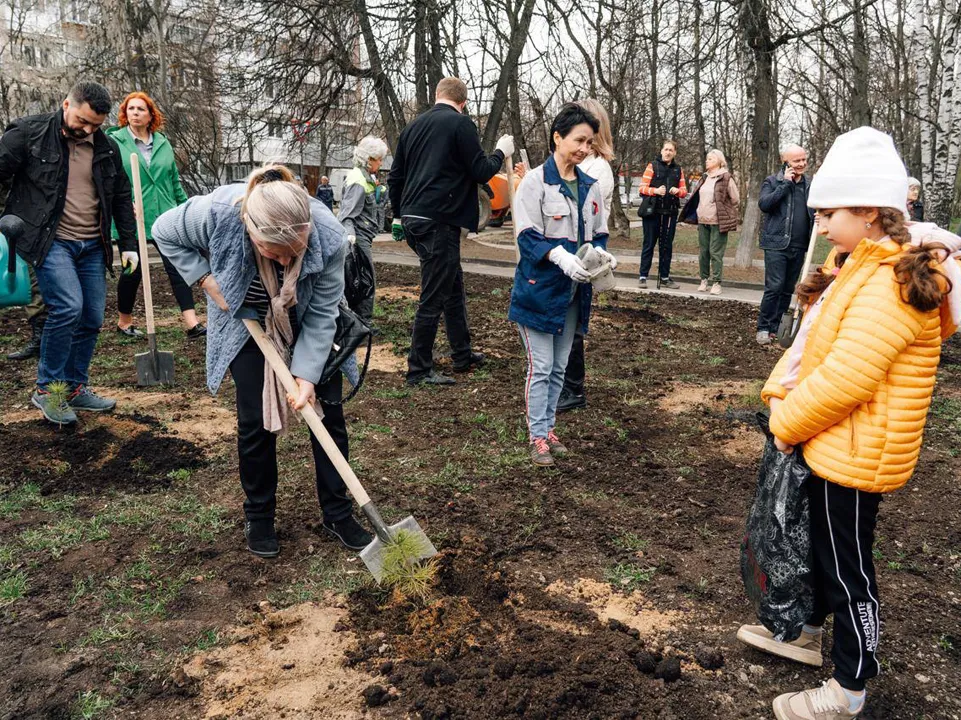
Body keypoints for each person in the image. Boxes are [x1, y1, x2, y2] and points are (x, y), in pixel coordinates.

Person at [737, 127, 958, 720]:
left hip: (855, 454)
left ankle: (849, 690)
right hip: (836, 443)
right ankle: (808, 632)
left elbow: (847, 379)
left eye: (829, 212)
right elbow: (818, 347)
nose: (822, 223)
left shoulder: (889, 284)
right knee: (820, 548)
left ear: (867, 210)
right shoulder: (862, 265)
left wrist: (787, 423)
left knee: (847, 568)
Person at [153, 164, 373, 558]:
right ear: (251, 231)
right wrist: (203, 278)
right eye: (276, 253)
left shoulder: (328, 233)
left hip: (307, 319)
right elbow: (163, 230)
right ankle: (259, 516)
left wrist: (306, 375)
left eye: (296, 253)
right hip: (245, 320)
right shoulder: (217, 213)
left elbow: (323, 313)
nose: (287, 262)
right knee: (254, 421)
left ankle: (338, 513)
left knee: (328, 413)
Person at [0, 81, 137, 425]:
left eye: (95, 124)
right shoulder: (28, 133)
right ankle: (49, 389)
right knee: (68, 307)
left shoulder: (106, 148)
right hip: (51, 241)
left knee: (91, 316)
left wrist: (130, 245)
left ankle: (75, 386)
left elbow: (121, 196)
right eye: (83, 120)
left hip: (93, 244)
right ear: (66, 104)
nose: (87, 129)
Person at [387, 76, 514, 386]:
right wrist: (500, 150)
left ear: (436, 94)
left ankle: (462, 353)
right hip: (438, 222)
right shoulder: (460, 124)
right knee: (433, 295)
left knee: (452, 286)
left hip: (416, 221)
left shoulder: (412, 128)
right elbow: (481, 170)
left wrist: (399, 216)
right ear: (463, 102)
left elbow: (395, 178)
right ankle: (418, 369)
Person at [509, 103, 615, 467]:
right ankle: (537, 436)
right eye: (579, 140)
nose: (585, 148)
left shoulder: (590, 186)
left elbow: (599, 234)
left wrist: (601, 257)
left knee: (559, 366)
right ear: (557, 137)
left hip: (574, 294)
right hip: (539, 291)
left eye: (590, 142)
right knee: (540, 366)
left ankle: (549, 428)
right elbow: (526, 238)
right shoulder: (535, 183)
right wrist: (558, 256)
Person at [106, 92, 205, 340]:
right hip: (133, 216)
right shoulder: (114, 141)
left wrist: (185, 209)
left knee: (177, 267)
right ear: (124, 114)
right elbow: (108, 180)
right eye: (131, 109)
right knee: (133, 269)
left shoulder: (162, 143)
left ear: (151, 115)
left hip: (165, 215)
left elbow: (173, 181)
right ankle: (124, 322)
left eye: (141, 109)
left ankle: (192, 322)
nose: (135, 113)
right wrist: (120, 205)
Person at [557, 98, 614, 414]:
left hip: (584, 253)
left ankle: (573, 387)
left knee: (573, 321)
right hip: (566, 252)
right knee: (562, 319)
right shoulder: (581, 164)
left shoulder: (598, 168)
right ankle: (561, 382)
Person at [756, 144, 815, 346]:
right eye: (796, 160)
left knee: (788, 288)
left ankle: (777, 328)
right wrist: (785, 185)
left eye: (803, 159)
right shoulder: (773, 181)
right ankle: (764, 327)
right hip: (776, 243)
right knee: (774, 286)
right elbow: (765, 204)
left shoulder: (809, 184)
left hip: (799, 245)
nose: (802, 164)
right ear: (786, 162)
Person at [339, 136, 389, 321]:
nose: (381, 163)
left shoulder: (365, 178)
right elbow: (347, 215)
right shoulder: (358, 181)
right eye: (379, 159)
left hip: (363, 236)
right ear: (369, 160)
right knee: (365, 282)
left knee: (359, 281)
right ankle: (362, 326)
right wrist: (350, 240)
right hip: (358, 239)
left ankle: (357, 323)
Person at [637, 140, 687, 289]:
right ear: (661, 151)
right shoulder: (652, 166)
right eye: (666, 149)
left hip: (670, 213)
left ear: (675, 153)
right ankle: (643, 276)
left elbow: (684, 191)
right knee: (649, 244)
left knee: (666, 246)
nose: (668, 152)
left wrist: (678, 192)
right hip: (652, 212)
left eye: (671, 150)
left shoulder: (678, 170)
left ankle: (664, 277)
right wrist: (656, 191)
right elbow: (642, 188)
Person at [691, 149, 739, 295]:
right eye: (707, 159)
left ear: (719, 161)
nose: (707, 161)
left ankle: (717, 283)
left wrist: (724, 210)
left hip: (718, 221)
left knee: (715, 253)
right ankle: (704, 280)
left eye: (710, 159)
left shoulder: (726, 178)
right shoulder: (704, 178)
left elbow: (735, 199)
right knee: (703, 252)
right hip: (703, 220)